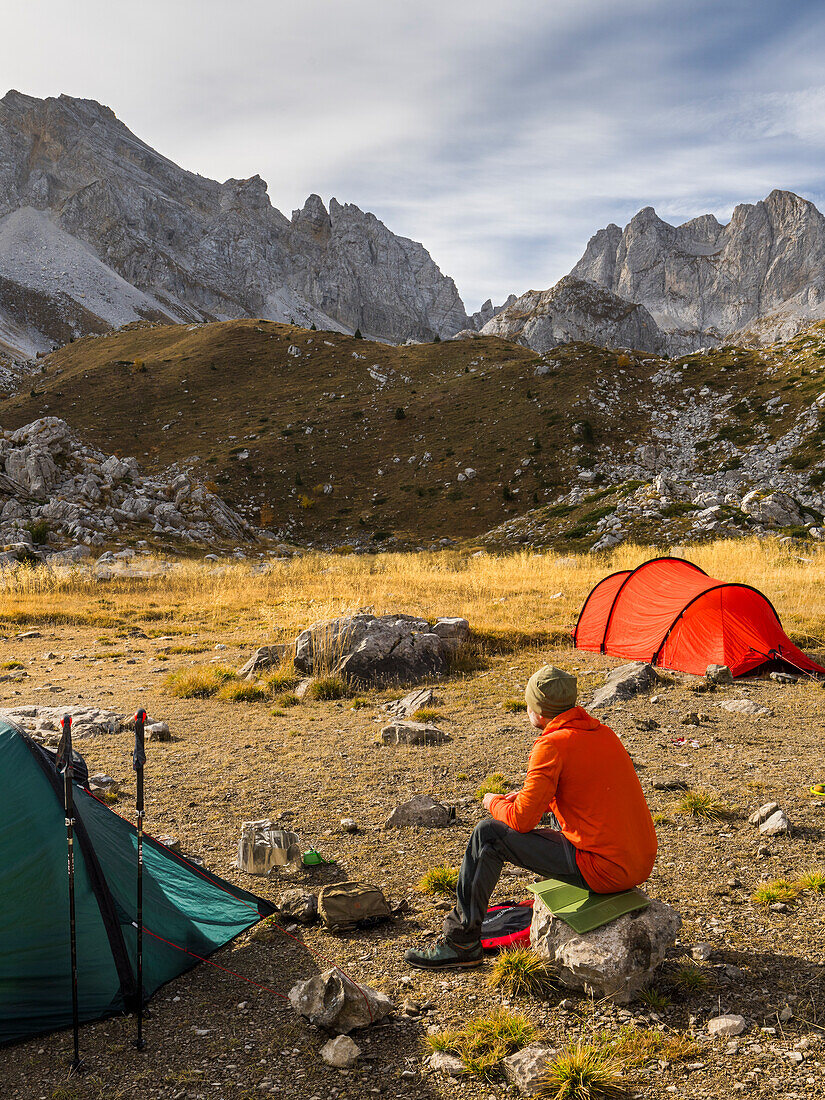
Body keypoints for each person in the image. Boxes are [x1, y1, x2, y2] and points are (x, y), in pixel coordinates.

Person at [405, 664, 658, 969]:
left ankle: (461, 942)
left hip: (604, 870)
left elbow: (522, 821)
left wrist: (494, 801)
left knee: (488, 835)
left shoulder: (551, 745)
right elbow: (588, 793)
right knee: (541, 817)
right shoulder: (601, 733)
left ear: (538, 710)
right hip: (637, 862)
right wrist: (534, 799)